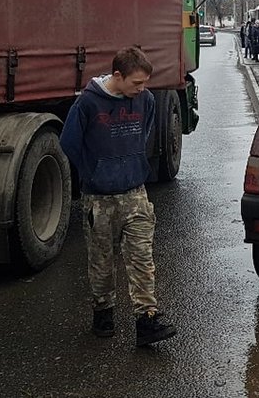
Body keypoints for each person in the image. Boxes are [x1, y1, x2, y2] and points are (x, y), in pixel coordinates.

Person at [59, 46, 177, 347]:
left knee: (142, 259)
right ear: (117, 76)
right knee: (102, 262)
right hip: (99, 199)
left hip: (135, 193)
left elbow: (144, 133)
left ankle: (146, 321)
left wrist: (133, 164)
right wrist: (93, 172)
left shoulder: (146, 100)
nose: (142, 89)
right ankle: (103, 311)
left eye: (145, 83)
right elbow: (69, 143)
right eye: (136, 83)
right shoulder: (87, 104)